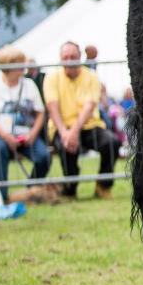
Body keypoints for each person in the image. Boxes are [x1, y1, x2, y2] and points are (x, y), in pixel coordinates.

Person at [43, 41, 120, 199]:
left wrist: (74, 132)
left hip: (89, 125)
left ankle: (103, 186)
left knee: (111, 142)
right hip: (61, 127)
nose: (69, 60)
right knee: (67, 148)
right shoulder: (51, 78)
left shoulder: (91, 76)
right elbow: (52, 106)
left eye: (73, 56)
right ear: (60, 58)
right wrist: (65, 133)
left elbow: (89, 106)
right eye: (66, 57)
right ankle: (70, 190)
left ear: (80, 57)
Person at [0, 45, 52, 203]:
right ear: (8, 66)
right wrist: (6, 137)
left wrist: (32, 134)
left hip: (26, 135)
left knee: (44, 156)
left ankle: (32, 191)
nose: (24, 67)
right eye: (19, 64)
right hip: (0, 135)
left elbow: (40, 113)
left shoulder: (29, 84)